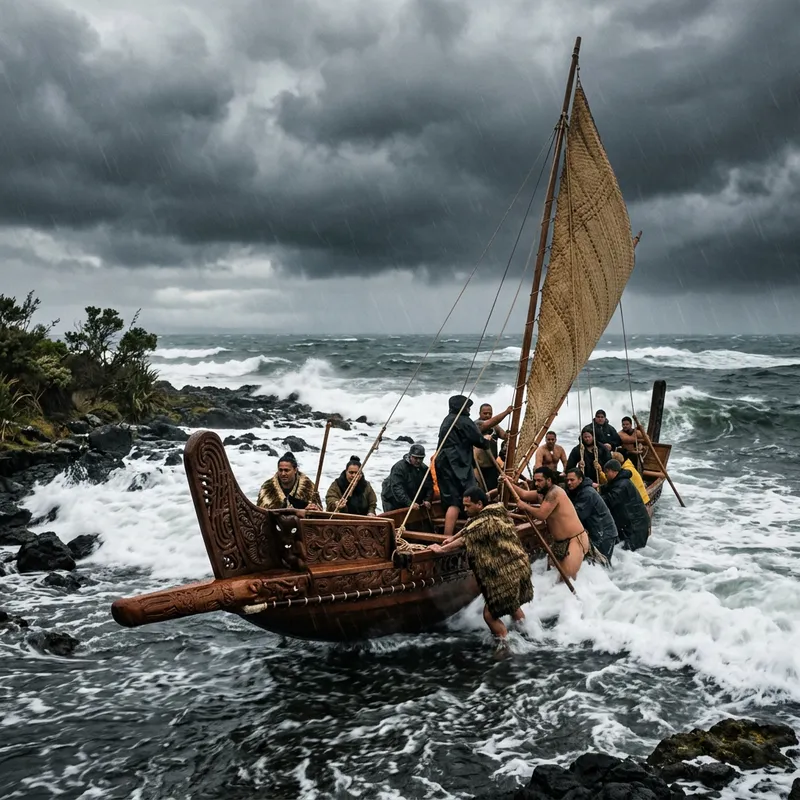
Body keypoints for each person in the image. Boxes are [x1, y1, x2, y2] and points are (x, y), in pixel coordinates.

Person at [427, 486, 532, 640]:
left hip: (507, 574)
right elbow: (469, 528)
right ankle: (529, 633)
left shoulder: (486, 522)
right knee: (513, 607)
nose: (464, 509)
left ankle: (505, 646)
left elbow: (467, 537)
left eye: (468, 506)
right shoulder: (496, 512)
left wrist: (442, 550)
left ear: (479, 505)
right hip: (519, 567)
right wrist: (452, 538)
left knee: (489, 615)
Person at [501, 467, 592, 580]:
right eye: (535, 480)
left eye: (540, 481)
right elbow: (524, 494)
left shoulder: (555, 493)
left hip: (575, 540)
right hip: (559, 543)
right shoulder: (541, 494)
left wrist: (525, 506)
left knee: (566, 579)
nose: (536, 483)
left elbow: (541, 515)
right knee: (553, 578)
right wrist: (509, 483)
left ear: (549, 480)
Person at [437, 395, 490, 538]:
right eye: (467, 407)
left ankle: (446, 536)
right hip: (457, 463)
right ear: (462, 408)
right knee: (471, 495)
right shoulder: (464, 421)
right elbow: (478, 440)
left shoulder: (447, 420)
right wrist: (486, 441)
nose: (469, 410)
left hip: (442, 462)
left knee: (452, 500)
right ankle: (475, 532)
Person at [565, 468, 617, 562]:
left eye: (572, 480)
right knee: (596, 562)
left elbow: (577, 515)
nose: (569, 483)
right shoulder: (577, 491)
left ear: (580, 480)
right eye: (567, 480)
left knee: (602, 562)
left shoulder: (587, 494)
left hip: (605, 534)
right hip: (597, 531)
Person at [600, 460, 651, 551]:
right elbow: (609, 487)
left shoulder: (623, 485)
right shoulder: (619, 481)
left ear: (614, 471)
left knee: (630, 552)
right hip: (631, 525)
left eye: (607, 472)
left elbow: (611, 499)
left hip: (636, 527)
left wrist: (595, 497)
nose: (605, 474)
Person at [381, 444, 434, 512]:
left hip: (411, 498)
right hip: (392, 499)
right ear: (410, 456)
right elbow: (397, 488)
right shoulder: (399, 468)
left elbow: (429, 487)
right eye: (415, 458)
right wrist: (409, 503)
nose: (418, 461)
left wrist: (427, 499)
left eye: (421, 458)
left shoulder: (425, 469)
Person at [474, 403, 512, 492]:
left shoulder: (495, 426)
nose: (488, 415)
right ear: (480, 413)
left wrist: (509, 434)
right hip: (478, 467)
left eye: (490, 413)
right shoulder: (476, 425)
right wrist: (506, 412)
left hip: (492, 466)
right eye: (485, 413)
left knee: (492, 490)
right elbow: (487, 424)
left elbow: (504, 436)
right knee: (480, 490)